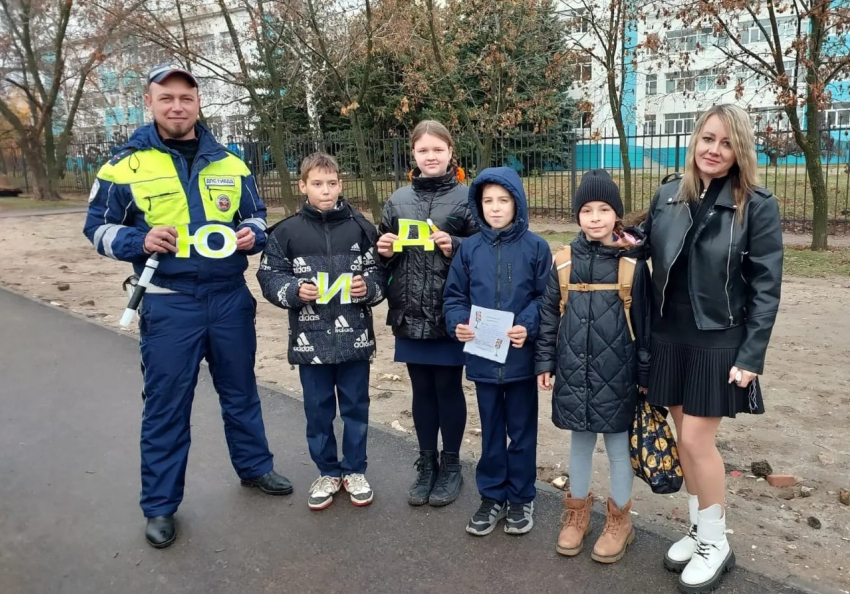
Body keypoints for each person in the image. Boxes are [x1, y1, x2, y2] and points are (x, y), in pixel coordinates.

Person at [83, 63, 292, 550]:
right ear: (150, 103)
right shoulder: (124, 163)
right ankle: (159, 506)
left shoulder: (231, 162)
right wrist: (139, 239)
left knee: (240, 392)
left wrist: (253, 235)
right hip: (169, 302)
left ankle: (255, 467)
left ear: (198, 103)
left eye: (186, 98)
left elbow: (258, 216)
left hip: (228, 299)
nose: (177, 106)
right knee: (166, 406)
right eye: (166, 98)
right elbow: (96, 228)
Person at [642, 104, 783, 593]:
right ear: (694, 140)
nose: (714, 150)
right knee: (684, 441)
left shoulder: (756, 205)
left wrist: (751, 356)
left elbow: (767, 287)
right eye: (707, 139)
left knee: (698, 443)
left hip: (719, 339)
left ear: (739, 149)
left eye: (725, 142)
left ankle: (716, 543)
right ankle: (700, 528)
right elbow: (647, 247)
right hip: (670, 335)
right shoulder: (668, 195)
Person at [256, 153, 386, 510]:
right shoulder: (286, 232)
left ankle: (355, 470)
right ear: (303, 186)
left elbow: (379, 274)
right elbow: (269, 276)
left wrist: (369, 289)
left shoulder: (361, 228)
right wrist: (294, 292)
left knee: (357, 408)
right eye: (317, 184)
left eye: (331, 183)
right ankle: (328, 471)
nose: (325, 191)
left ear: (341, 185)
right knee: (318, 410)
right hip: (309, 342)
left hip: (354, 340)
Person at [536, 170, 652, 564]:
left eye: (604, 209)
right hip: (572, 370)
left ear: (617, 215)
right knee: (579, 445)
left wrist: (646, 376)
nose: (595, 217)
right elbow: (549, 316)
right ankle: (577, 516)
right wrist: (546, 361)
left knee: (619, 450)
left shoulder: (632, 267)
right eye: (587, 209)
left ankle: (620, 521)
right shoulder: (564, 262)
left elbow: (647, 328)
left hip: (619, 373)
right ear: (578, 215)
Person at [443, 167, 551, 536]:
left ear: (517, 203)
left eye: (503, 200)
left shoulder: (537, 247)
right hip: (483, 359)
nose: (495, 207)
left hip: (520, 360)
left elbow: (545, 298)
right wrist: (457, 321)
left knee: (521, 432)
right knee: (490, 430)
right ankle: (492, 497)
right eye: (488, 201)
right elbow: (454, 296)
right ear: (479, 205)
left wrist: (528, 324)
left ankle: (521, 497)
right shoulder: (469, 249)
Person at [376, 120, 478, 507]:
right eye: (423, 150)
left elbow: (484, 249)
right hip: (409, 311)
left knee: (449, 389)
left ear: (451, 152)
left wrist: (454, 244)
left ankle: (452, 466)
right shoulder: (397, 200)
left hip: (450, 312)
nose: (431, 156)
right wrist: (382, 250)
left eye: (438, 149)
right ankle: (427, 463)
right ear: (413, 155)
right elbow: (381, 257)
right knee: (421, 391)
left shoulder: (469, 198)